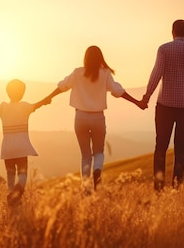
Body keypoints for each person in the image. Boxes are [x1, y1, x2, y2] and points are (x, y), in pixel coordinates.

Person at [45, 45, 146, 191]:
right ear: (100, 57)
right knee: (98, 151)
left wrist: (47, 98)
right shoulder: (105, 74)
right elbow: (118, 91)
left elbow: (62, 86)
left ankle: (86, 188)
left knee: (85, 155)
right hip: (98, 118)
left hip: (80, 117)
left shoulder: (78, 72)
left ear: (85, 57)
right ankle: (97, 170)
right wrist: (137, 102)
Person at [139, 19, 184, 192]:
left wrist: (147, 96)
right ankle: (176, 188)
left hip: (165, 105)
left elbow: (156, 74)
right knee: (181, 148)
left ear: (172, 31)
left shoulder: (164, 49)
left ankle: (158, 188)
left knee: (161, 146)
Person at [0, 79, 51, 205]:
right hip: (22, 146)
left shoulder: (3, 108)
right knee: (23, 173)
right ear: (22, 93)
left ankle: (11, 194)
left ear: (7, 92)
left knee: (10, 173)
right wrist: (49, 98)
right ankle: (17, 192)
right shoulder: (25, 107)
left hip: (7, 147)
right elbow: (41, 103)